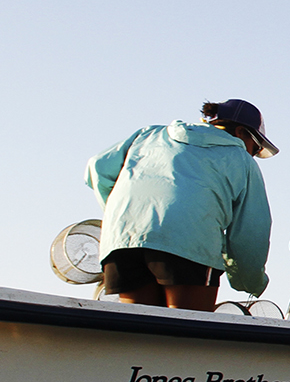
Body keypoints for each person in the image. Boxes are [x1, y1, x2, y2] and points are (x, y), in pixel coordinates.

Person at [86, 99, 276, 312]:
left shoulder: (149, 135)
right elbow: (250, 232)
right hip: (188, 245)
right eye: (256, 147)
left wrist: (124, 215)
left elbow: (97, 167)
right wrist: (248, 281)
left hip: (123, 243)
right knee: (187, 331)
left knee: (141, 331)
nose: (253, 154)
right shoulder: (241, 159)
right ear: (241, 132)